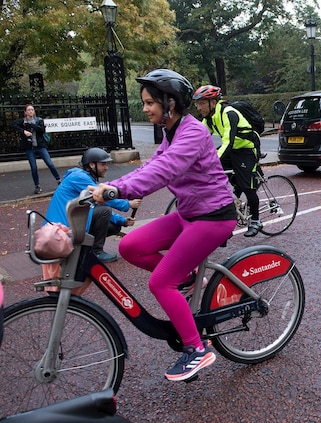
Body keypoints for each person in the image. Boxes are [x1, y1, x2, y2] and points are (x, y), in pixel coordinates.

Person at [90, 69, 238, 382]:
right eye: (143, 103)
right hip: (189, 213)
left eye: (149, 103)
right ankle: (186, 276)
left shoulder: (192, 132)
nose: (144, 108)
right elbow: (151, 166)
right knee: (130, 245)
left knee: (160, 283)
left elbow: (164, 172)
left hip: (213, 217)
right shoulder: (171, 132)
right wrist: (110, 186)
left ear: (170, 102)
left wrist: (119, 191)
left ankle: (197, 349)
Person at [45, 147, 141, 263]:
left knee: (114, 226)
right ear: (91, 165)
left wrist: (122, 221)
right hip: (60, 232)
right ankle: (96, 252)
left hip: (65, 227)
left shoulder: (82, 177)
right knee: (104, 210)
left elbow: (96, 206)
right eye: (103, 164)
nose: (106, 168)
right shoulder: (79, 178)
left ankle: (85, 249)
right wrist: (128, 204)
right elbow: (105, 198)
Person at [193, 85, 262, 237]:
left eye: (202, 103)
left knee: (248, 187)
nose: (199, 107)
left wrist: (211, 162)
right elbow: (197, 139)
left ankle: (256, 220)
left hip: (246, 150)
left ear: (213, 102)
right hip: (233, 151)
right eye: (197, 103)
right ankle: (230, 213)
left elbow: (227, 142)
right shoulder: (209, 119)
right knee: (220, 180)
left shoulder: (228, 113)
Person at [10, 104, 61, 194]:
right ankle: (37, 186)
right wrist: (23, 131)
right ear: (25, 112)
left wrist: (31, 125)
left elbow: (41, 129)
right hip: (30, 148)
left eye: (32, 110)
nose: (31, 111)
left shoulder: (39, 120)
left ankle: (59, 180)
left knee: (50, 164)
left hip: (40, 147)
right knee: (34, 167)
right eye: (29, 110)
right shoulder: (23, 121)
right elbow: (13, 125)